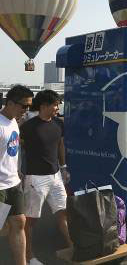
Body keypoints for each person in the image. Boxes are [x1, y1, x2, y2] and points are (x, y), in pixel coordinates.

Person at [20, 90, 72, 265]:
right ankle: (29, 256)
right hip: (35, 179)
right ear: (43, 106)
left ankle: (73, 246)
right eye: (55, 105)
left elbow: (60, 145)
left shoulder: (58, 124)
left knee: (64, 212)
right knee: (30, 221)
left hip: (56, 176)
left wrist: (64, 167)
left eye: (58, 104)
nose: (58, 108)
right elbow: (15, 148)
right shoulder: (27, 127)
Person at [0, 85, 33, 265]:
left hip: (13, 183)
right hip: (0, 187)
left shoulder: (13, 120)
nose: (26, 110)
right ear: (10, 103)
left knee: (19, 222)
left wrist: (17, 170)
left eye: (29, 107)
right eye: (24, 106)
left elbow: (12, 151)